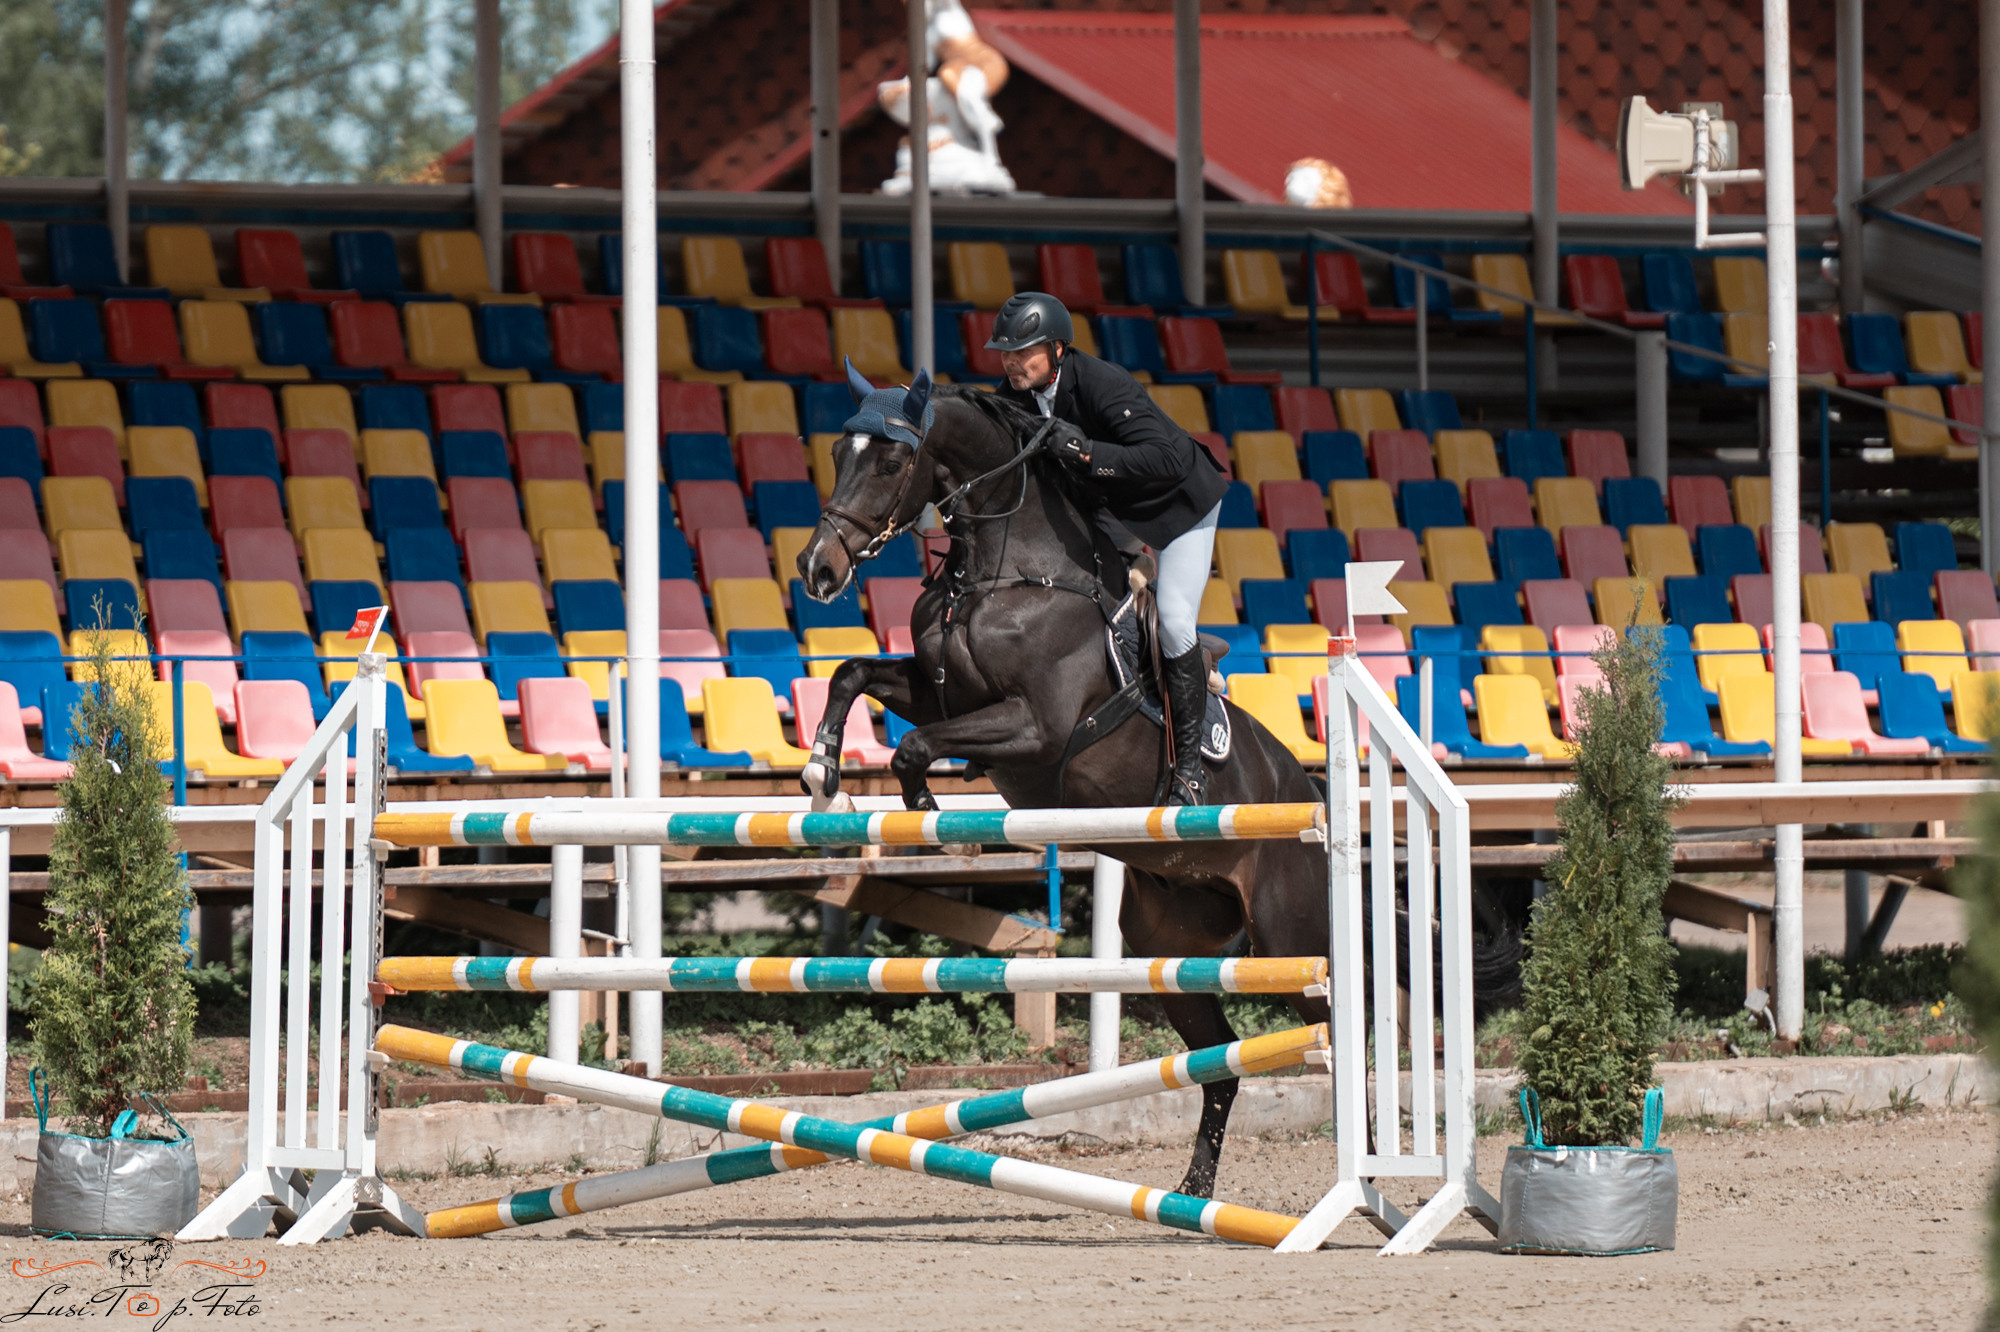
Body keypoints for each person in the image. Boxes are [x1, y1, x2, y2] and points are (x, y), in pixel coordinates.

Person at [986, 291, 1230, 806]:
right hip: (1110, 508)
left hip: (1178, 505)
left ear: (1056, 349)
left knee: (1176, 617)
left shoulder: (1101, 383)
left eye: (1022, 351)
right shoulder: (1015, 394)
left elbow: (1164, 458)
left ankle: (1189, 771)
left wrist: (1087, 451)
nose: (1011, 362)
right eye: (1005, 352)